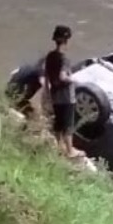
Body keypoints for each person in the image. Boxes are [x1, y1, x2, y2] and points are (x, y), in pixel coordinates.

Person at [43, 24, 84, 158]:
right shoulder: (64, 58)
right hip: (66, 97)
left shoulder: (50, 56)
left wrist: (47, 94)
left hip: (55, 95)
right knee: (68, 125)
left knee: (59, 123)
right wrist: (73, 80)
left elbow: (47, 76)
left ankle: (59, 146)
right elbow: (62, 76)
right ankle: (70, 151)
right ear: (66, 41)